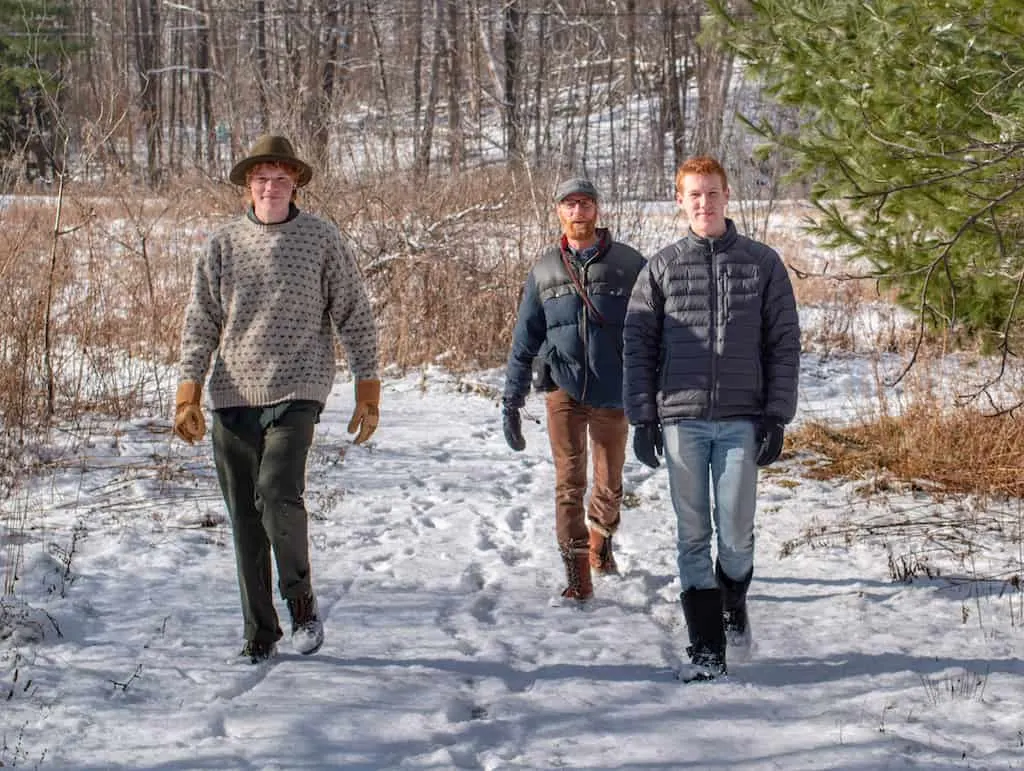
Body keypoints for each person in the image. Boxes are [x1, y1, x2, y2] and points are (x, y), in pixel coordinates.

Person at [173, 134, 380, 664]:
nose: (271, 187)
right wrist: (188, 393)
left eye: (281, 179)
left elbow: (354, 313)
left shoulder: (321, 239)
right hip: (232, 392)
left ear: (296, 185)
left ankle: (301, 602)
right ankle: (259, 634)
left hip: (298, 387)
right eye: (262, 179)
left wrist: (367, 388)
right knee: (244, 515)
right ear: (248, 185)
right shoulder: (222, 244)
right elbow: (201, 321)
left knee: (277, 493)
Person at [623, 156, 800, 680]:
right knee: (693, 531)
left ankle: (732, 600)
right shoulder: (661, 268)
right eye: (694, 194)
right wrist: (642, 418)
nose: (704, 203)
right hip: (681, 420)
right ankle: (705, 649)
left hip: (743, 419)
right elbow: (638, 345)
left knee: (738, 534)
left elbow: (784, 344)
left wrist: (776, 415)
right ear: (680, 200)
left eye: (712, 193)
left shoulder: (762, 264)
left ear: (727, 196)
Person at [502, 177, 646, 602]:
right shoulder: (545, 269)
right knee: (569, 484)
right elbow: (524, 338)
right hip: (562, 391)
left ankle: (601, 538)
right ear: (558, 212)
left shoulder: (628, 264)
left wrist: (650, 391)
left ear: (597, 210)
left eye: (585, 203)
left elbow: (650, 332)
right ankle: (577, 572)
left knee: (609, 483)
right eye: (569, 204)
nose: (578, 211)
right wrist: (511, 400)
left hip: (613, 392)